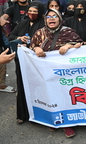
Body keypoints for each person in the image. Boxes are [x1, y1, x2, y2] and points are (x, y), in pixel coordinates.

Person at [30, 8, 82, 138]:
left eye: (54, 16)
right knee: (49, 96)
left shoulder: (68, 32)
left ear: (60, 19)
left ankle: (66, 124)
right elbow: (31, 47)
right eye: (48, 17)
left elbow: (80, 44)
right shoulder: (39, 33)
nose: (51, 19)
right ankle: (52, 119)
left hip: (64, 73)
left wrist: (68, 46)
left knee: (64, 96)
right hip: (45, 72)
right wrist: (36, 48)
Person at [8, 1, 45, 124]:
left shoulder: (44, 24)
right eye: (30, 11)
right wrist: (19, 38)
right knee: (22, 85)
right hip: (22, 60)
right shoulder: (23, 23)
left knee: (39, 87)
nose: (32, 14)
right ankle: (23, 114)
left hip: (37, 61)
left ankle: (40, 114)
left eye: (35, 11)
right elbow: (11, 35)